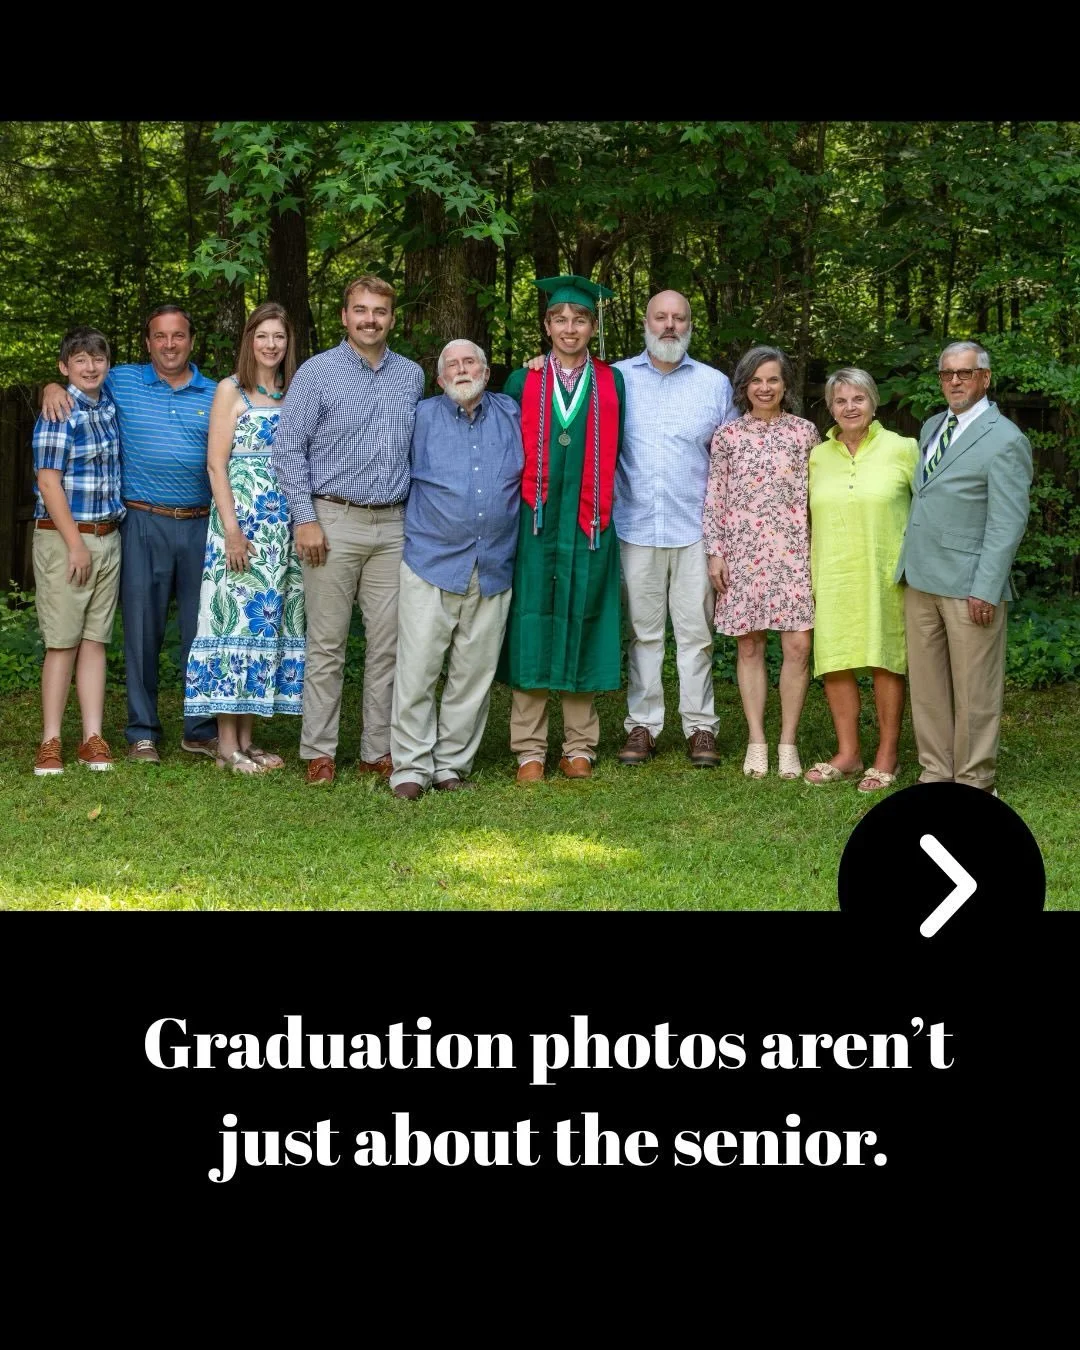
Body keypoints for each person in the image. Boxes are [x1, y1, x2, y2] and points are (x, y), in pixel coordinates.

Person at [40, 304, 218, 764]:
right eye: (160, 336)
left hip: (201, 521)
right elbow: (80, 382)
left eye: (178, 335)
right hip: (141, 521)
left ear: (191, 340)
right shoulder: (123, 381)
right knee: (141, 630)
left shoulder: (216, 393)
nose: (170, 344)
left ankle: (200, 729)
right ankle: (142, 732)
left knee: (202, 629)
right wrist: (50, 387)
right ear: (147, 342)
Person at [272, 275, 425, 785]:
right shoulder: (317, 372)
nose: (370, 319)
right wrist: (305, 519)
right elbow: (288, 448)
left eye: (379, 311)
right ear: (344, 316)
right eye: (360, 310)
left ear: (391, 317)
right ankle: (319, 750)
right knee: (327, 643)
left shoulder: (412, 376)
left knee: (389, 645)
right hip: (331, 521)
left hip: (393, 525)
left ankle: (376, 750)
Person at [497, 274, 625, 782]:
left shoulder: (612, 382)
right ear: (547, 326)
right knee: (532, 622)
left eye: (579, 319)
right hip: (535, 524)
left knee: (584, 619)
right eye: (560, 319)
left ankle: (579, 745)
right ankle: (528, 748)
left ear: (592, 327)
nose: (569, 327)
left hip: (590, 524)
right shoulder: (521, 380)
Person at [895, 341, 1032, 792]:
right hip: (920, 578)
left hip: (969, 584)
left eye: (965, 373)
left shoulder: (1006, 439)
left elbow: (1007, 522)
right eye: (947, 373)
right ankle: (936, 772)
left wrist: (986, 587)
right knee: (929, 689)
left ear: (985, 378)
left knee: (974, 691)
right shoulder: (933, 425)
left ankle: (975, 782)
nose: (955, 381)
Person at [389, 340, 523, 799]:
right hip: (431, 562)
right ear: (440, 377)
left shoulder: (512, 413)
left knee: (474, 673)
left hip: (493, 563)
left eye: (471, 362)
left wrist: (542, 362)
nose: (462, 369)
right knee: (418, 670)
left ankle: (451, 764)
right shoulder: (418, 417)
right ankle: (409, 766)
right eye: (452, 364)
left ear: (487, 371)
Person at [611, 290, 737, 769]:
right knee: (642, 634)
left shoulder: (715, 384)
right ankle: (642, 725)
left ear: (690, 325)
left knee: (695, 635)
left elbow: (726, 463)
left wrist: (723, 537)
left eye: (678, 318)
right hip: (634, 526)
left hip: (694, 529)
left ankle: (700, 726)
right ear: (645, 322)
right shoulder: (617, 379)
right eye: (661, 317)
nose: (669, 326)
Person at [183, 303, 305, 773]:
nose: (271, 345)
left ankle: (249, 741)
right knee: (232, 624)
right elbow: (216, 464)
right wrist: (233, 532)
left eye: (279, 336)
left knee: (265, 629)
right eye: (263, 336)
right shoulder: (229, 390)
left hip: (281, 531)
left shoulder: (294, 391)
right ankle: (225, 745)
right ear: (249, 340)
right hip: (240, 529)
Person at [702, 345, 818, 779]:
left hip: (792, 555)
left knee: (798, 647)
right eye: (756, 380)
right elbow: (714, 498)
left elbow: (815, 499)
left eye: (773, 379)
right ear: (744, 386)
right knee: (749, 645)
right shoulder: (728, 437)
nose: (765, 387)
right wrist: (716, 551)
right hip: (743, 554)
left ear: (785, 385)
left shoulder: (805, 434)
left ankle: (788, 741)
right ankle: (757, 740)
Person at [803, 369, 918, 791]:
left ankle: (887, 755)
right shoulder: (817, 456)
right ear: (830, 408)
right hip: (832, 572)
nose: (849, 407)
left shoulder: (903, 449)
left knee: (885, 659)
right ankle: (848, 753)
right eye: (840, 401)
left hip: (886, 574)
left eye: (858, 399)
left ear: (873, 402)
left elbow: (928, 509)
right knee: (835, 660)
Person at [31, 327, 124, 775]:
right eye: (80, 361)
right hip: (67, 538)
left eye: (98, 359)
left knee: (94, 640)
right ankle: (50, 740)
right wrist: (75, 545)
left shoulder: (108, 404)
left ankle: (92, 737)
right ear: (64, 367)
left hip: (108, 536)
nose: (91, 368)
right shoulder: (58, 411)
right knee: (62, 641)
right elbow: (48, 482)